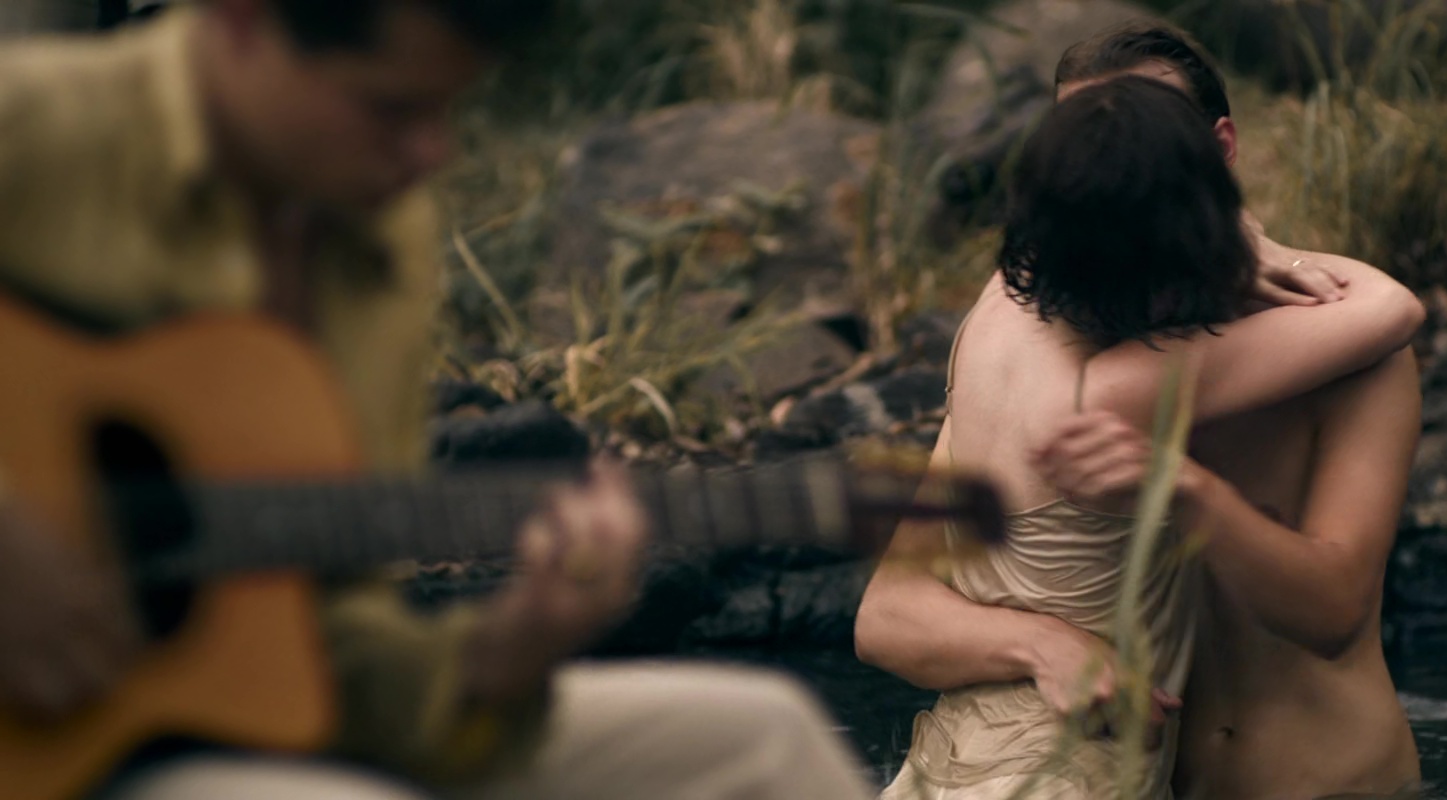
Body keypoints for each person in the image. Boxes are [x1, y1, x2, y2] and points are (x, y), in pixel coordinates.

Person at [0, 1, 873, 798]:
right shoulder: (37, 124)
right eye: (389, 108)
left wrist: (508, 648)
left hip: (215, 716)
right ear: (240, 23)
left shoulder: (381, 225)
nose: (434, 153)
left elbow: (341, 649)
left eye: (450, 108)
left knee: (765, 740)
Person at [855, 24, 1426, 800]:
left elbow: (1334, 612)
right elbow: (889, 615)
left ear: (1215, 150)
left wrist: (1191, 494)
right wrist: (1039, 644)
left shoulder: (1350, 354)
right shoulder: (1049, 362)